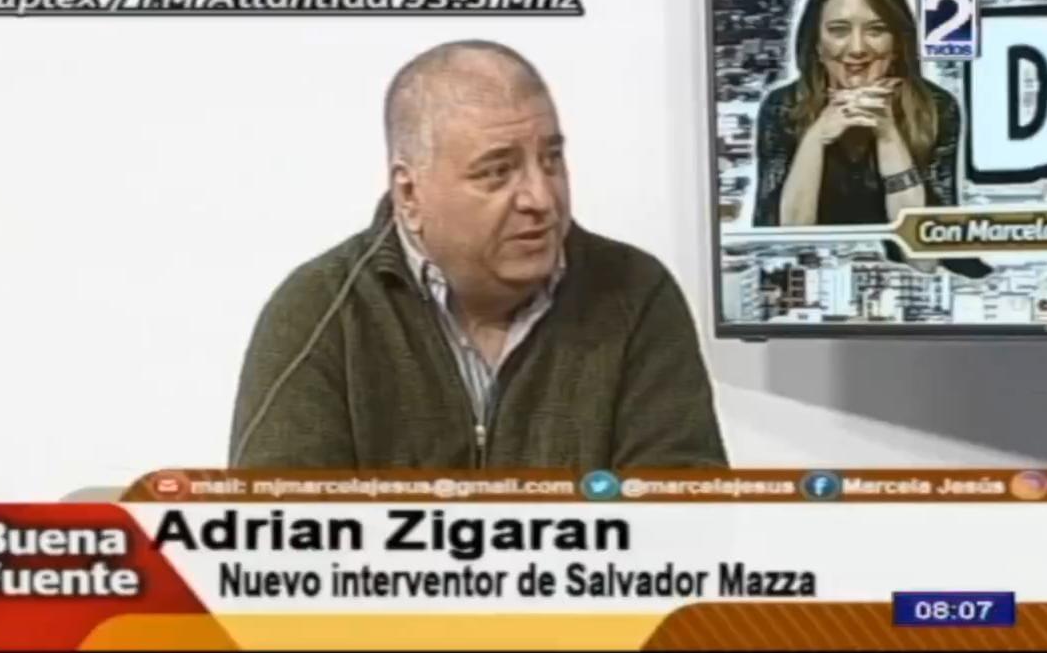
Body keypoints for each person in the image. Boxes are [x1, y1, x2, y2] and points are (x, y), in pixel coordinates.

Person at [228, 40, 727, 469]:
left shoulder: (633, 293)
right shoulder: (321, 312)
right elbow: (279, 534)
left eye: (551, 159)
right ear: (409, 194)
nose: (541, 198)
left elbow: (685, 520)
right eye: (497, 172)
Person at [753, 0, 989, 277]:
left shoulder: (936, 107)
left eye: (876, 30)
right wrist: (816, 138)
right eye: (838, 30)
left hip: (916, 290)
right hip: (823, 289)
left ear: (898, 43)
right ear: (816, 44)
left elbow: (925, 258)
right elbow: (784, 251)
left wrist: (888, 136)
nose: (857, 48)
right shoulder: (783, 108)